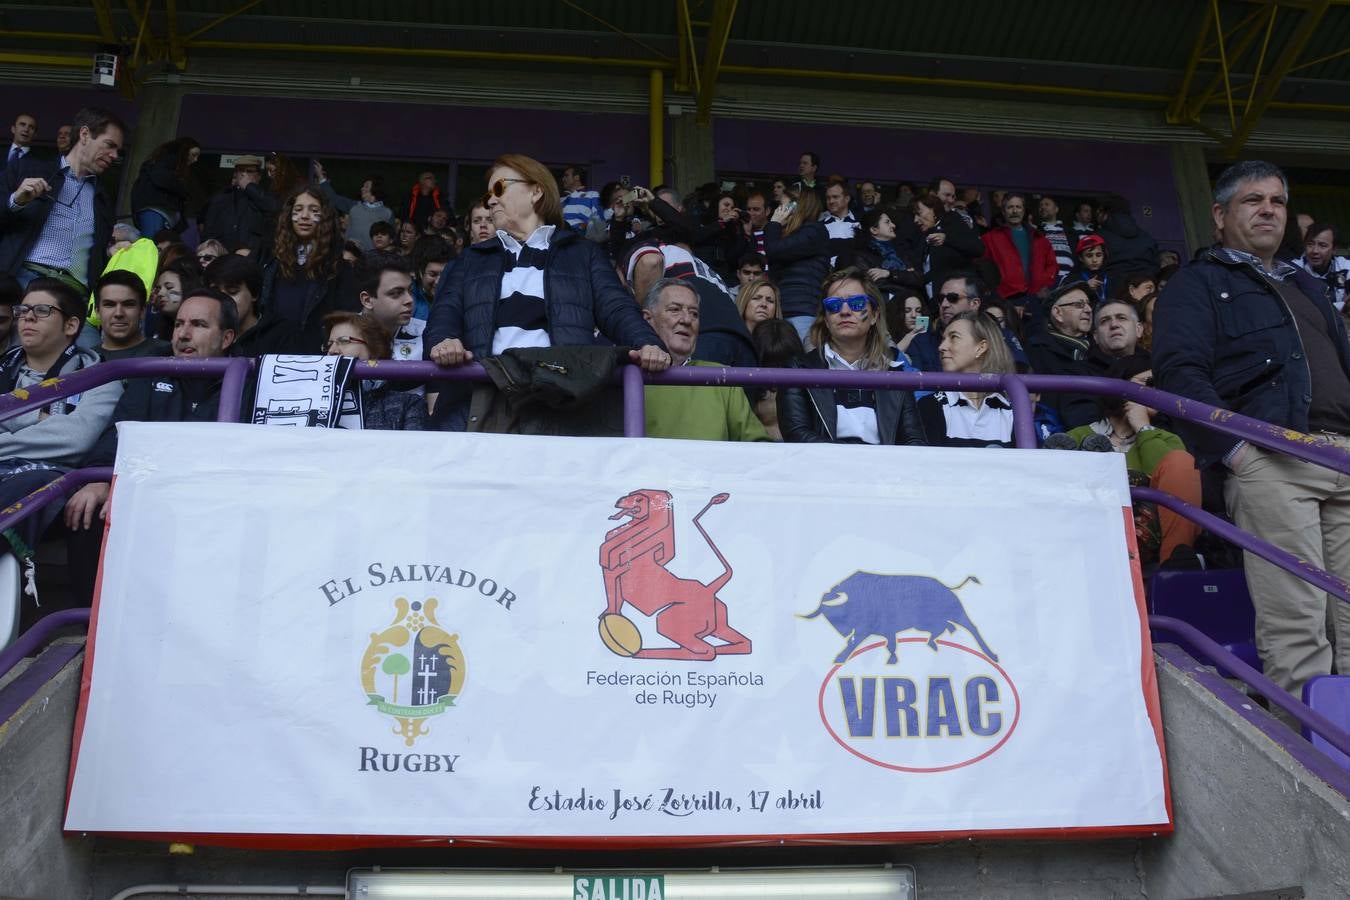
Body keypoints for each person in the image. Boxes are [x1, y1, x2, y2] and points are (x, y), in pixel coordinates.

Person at [1154, 159, 1350, 710]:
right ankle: (1310, 776)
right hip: (1275, 459)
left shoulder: (1306, 283)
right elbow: (1180, 374)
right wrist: (1238, 452)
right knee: (1297, 626)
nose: (1269, 210)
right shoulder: (1197, 282)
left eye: (1278, 202)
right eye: (1252, 201)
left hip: (1344, 457)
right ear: (1219, 215)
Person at [425, 154, 670, 402]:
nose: (491, 201)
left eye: (499, 188)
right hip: (486, 399)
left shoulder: (583, 254)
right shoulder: (469, 259)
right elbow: (445, 312)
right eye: (488, 195)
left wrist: (647, 343)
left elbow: (616, 308)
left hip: (563, 401)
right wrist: (443, 341)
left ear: (536, 192)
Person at [66, 289, 240, 585]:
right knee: (87, 506)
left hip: (213, 498)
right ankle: (94, 626)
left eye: (198, 325)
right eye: (178, 324)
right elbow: (117, 433)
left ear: (226, 338)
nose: (183, 334)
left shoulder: (246, 381)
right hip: (149, 488)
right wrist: (99, 480)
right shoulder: (150, 373)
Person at [0, 279, 122, 621]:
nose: (27, 318)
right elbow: (58, 432)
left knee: (37, 480)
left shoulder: (100, 378)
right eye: (23, 310)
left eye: (41, 311)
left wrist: (11, 424)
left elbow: (74, 439)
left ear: (71, 325)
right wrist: (35, 421)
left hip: (48, 486)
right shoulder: (2, 369)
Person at [1067, 356, 1202, 566]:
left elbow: (1167, 478)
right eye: (1148, 383)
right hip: (1089, 536)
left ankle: (1175, 564)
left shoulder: (1166, 439)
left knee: (1181, 463)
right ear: (1119, 386)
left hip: (1148, 537)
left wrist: (1143, 428)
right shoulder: (1077, 436)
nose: (1156, 391)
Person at [777, 268, 925, 445]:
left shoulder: (894, 371)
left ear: (874, 316)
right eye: (833, 305)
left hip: (884, 470)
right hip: (822, 469)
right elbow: (797, 435)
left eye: (856, 303)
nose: (845, 311)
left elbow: (914, 441)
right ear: (826, 319)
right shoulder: (798, 368)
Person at [1, 107, 124, 295]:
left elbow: (99, 251)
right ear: (84, 134)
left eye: (118, 150)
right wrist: (16, 201)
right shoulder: (26, 169)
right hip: (26, 280)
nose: (115, 156)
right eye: (109, 145)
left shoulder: (103, 198)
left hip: (76, 294)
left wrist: (111, 250)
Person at [639, 278, 768, 442]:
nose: (686, 320)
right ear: (647, 319)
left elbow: (759, 446)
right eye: (674, 310)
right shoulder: (626, 375)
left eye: (694, 314)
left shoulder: (723, 379)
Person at [259, 185, 359, 351]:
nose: (304, 216)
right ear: (289, 215)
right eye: (298, 209)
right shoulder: (273, 264)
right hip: (275, 356)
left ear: (325, 217)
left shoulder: (339, 268)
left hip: (319, 356)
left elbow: (348, 318)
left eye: (313, 210)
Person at [917, 310, 1015, 448]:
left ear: (981, 348)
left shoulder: (1013, 411)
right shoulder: (929, 406)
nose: (941, 347)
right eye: (943, 339)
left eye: (954, 337)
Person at [321, 311, 425, 431]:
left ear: (375, 349)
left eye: (344, 341)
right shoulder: (315, 401)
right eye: (329, 345)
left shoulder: (407, 405)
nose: (332, 350)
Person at [1025, 281, 1098, 428]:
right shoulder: (1035, 349)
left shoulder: (1099, 349)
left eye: (1089, 304)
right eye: (1079, 304)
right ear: (1058, 313)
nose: (1089, 309)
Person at [204, 254, 304, 357]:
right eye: (215, 293)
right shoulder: (201, 333)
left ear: (254, 293)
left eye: (232, 291)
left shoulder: (284, 336)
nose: (223, 299)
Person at [763, 186, 830, 341]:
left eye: (783, 206)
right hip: (785, 310)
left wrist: (774, 223)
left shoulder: (814, 231)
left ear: (797, 207)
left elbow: (773, 250)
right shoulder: (790, 236)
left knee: (802, 362)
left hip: (802, 311)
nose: (779, 211)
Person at [981, 192, 1058, 306]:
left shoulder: (1039, 238)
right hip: (1004, 299)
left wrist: (1044, 285)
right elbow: (983, 267)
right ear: (1003, 212)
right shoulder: (990, 238)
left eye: (1018, 207)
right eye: (1010, 207)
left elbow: (1052, 265)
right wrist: (995, 291)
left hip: (1036, 298)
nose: (1015, 211)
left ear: (1023, 211)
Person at [907, 272, 982, 372]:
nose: (944, 304)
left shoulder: (995, 338)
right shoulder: (921, 342)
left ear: (974, 304)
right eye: (941, 299)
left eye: (953, 298)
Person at [913, 194, 985, 299]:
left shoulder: (953, 221)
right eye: (914, 215)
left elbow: (978, 248)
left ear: (933, 210)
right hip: (932, 302)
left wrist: (947, 239)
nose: (915, 220)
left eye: (919, 213)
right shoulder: (922, 236)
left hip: (957, 299)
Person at [201, 155, 275, 255]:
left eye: (249, 171)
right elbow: (208, 232)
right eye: (241, 171)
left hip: (254, 257)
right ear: (235, 174)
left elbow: (273, 209)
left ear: (259, 176)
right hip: (224, 256)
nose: (244, 174)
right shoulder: (221, 198)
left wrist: (249, 187)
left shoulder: (266, 197)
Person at [357, 252, 423, 362]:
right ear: (367, 300)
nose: (410, 300)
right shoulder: (343, 337)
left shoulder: (426, 334)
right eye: (396, 293)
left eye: (410, 291)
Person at [313, 163, 394, 252]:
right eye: (363, 186)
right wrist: (321, 177)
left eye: (366, 186)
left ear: (376, 189)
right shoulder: (353, 206)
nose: (362, 189)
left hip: (374, 261)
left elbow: (391, 240)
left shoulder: (387, 213)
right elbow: (333, 198)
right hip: (350, 258)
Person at [129, 137, 200, 238]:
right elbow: (162, 178)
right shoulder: (168, 160)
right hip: (157, 209)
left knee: (155, 244)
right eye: (193, 155)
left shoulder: (160, 163)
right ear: (184, 151)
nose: (195, 160)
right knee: (153, 244)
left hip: (158, 210)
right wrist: (183, 191)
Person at [94, 270, 169, 360]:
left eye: (128, 304)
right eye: (109, 305)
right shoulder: (85, 362)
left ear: (142, 311)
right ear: (97, 312)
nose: (118, 313)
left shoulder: (168, 354)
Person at [749, 319, 803, 441]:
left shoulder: (806, 384)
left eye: (783, 363)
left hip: (799, 451)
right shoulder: (748, 387)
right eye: (771, 364)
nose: (777, 371)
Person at [853, 208, 920, 298]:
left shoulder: (902, 251)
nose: (893, 225)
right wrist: (905, 276)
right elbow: (875, 285)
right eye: (887, 222)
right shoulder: (862, 255)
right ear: (874, 230)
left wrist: (889, 273)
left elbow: (918, 279)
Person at [1096, 193, 1159, 279]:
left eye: (1099, 210)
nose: (1097, 214)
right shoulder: (1146, 235)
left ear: (1106, 212)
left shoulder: (1098, 237)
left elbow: (1092, 266)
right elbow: (1156, 263)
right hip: (1146, 285)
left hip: (1114, 285)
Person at [148, 256, 203, 341]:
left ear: (187, 288)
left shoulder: (202, 325)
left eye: (169, 287)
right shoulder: (156, 327)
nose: (160, 294)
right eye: (158, 289)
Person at [1295, 223, 1348, 310]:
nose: (1315, 251)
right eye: (1310, 244)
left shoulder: (1345, 267)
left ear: (1334, 249)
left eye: (1322, 245)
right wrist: (1342, 305)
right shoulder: (1294, 269)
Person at [1089, 298, 1149, 373]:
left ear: (1138, 330)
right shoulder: (1078, 373)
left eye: (1122, 318)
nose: (1114, 325)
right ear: (1096, 336)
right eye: (1104, 321)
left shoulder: (1158, 368)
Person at [409, 235, 452, 321]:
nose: (438, 282)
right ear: (420, 273)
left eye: (444, 274)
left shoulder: (457, 298)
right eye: (433, 274)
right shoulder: (409, 299)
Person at [821, 177, 860, 267]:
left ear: (847, 199)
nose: (831, 201)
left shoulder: (861, 222)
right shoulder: (820, 226)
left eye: (835, 197)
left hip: (853, 274)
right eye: (828, 198)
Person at [1037, 195, 1076, 282]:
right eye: (1040, 205)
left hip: (1068, 280)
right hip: (1046, 281)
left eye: (1047, 204)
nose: (1043, 207)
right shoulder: (1036, 231)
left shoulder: (1070, 231)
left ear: (1056, 209)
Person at [1063, 233, 1110, 300]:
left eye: (1098, 255)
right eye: (1089, 256)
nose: (1094, 260)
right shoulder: (1072, 279)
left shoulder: (1112, 276)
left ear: (1104, 256)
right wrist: (1084, 287)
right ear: (1081, 258)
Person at [561, 165, 602, 233]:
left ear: (577, 177)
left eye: (566, 176)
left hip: (580, 236)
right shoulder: (561, 199)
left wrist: (585, 226)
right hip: (560, 236)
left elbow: (599, 217)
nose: (563, 179)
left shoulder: (592, 195)